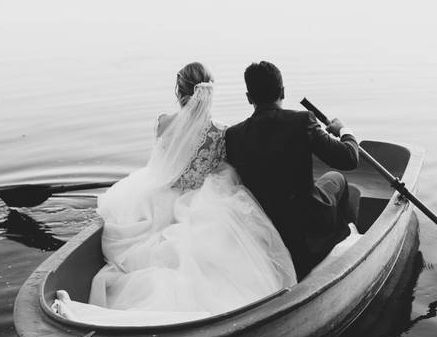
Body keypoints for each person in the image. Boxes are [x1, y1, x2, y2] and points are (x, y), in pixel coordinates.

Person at [75, 62, 296, 322]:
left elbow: (158, 167)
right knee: (228, 247)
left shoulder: (163, 124)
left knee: (150, 245)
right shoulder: (221, 131)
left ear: (179, 93)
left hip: (160, 198)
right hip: (205, 200)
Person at [226, 61, 360, 280]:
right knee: (337, 178)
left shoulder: (233, 135)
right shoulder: (302, 120)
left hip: (268, 230)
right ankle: (346, 242)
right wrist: (345, 131)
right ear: (283, 92)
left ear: (249, 98)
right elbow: (349, 158)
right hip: (307, 227)